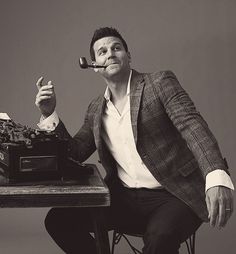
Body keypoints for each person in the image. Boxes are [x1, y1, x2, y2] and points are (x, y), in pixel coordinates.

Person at [35, 27, 234, 254]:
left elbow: (193, 126)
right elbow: (74, 152)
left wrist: (216, 175)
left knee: (160, 237)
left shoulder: (159, 83)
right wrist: (49, 114)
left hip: (175, 195)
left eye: (116, 48)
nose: (110, 53)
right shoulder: (95, 108)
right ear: (93, 65)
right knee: (58, 221)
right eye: (102, 51)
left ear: (128, 56)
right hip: (124, 199)